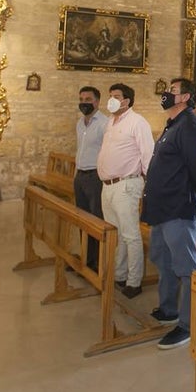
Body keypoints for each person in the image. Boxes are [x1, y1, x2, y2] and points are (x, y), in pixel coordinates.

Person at [144, 77, 196, 351]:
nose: (166, 94)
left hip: (179, 206)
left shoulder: (191, 126)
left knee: (185, 266)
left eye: (172, 91)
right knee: (162, 257)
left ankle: (187, 324)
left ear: (185, 97)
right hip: (162, 206)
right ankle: (168, 308)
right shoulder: (173, 124)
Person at [96, 83, 153, 299]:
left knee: (130, 235)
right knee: (115, 233)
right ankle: (119, 274)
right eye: (110, 95)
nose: (111, 99)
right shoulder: (111, 121)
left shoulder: (137, 122)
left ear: (126, 101)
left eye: (116, 96)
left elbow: (148, 154)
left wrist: (151, 184)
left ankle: (134, 280)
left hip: (127, 185)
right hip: (108, 185)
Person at [74, 86, 109, 273]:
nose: (84, 102)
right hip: (80, 175)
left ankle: (97, 261)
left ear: (97, 102)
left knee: (95, 219)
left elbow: (107, 152)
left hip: (95, 177)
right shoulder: (80, 123)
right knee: (82, 218)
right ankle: (86, 257)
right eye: (81, 99)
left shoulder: (105, 123)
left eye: (88, 99)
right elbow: (80, 149)